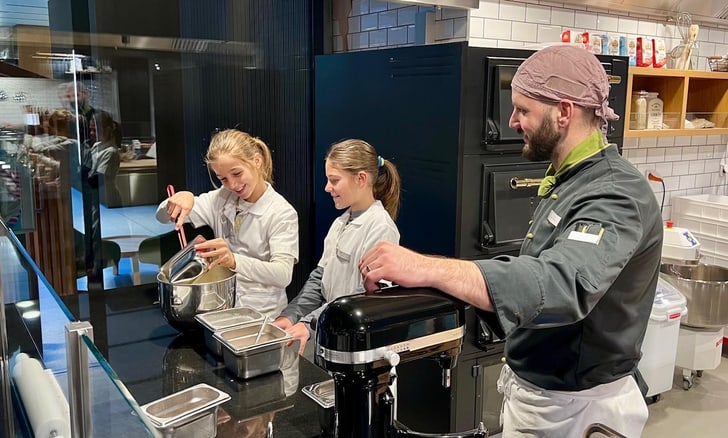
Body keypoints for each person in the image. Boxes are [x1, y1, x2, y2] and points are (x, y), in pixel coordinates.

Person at [359, 45, 663, 438]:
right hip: (545, 399)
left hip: (579, 412)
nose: (512, 121)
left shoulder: (615, 194)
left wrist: (424, 266)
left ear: (564, 112)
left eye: (523, 110)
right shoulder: (569, 179)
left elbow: (558, 284)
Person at [274, 139, 401, 355]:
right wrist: (292, 315)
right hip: (331, 332)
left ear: (361, 178)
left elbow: (365, 294)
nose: (327, 187)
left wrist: (309, 323)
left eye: (334, 180)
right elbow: (319, 278)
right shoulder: (340, 222)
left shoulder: (380, 228)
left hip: (358, 346)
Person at [157, 129, 299, 318]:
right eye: (223, 179)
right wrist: (178, 200)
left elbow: (283, 275)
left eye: (237, 173)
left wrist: (234, 260)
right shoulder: (221, 199)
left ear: (257, 161)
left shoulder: (281, 212)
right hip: (223, 310)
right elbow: (162, 217)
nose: (232, 185)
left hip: (263, 315)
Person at [89, 111, 122, 207]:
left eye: (95, 130)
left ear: (107, 130)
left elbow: (98, 179)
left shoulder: (111, 152)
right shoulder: (96, 146)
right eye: (91, 129)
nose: (91, 133)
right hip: (97, 195)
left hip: (108, 197)